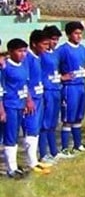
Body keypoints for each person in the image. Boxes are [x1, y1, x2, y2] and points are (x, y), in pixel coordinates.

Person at [2, 38, 34, 179]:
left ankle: (14, 167)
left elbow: (24, 86)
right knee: (9, 137)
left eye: (24, 51)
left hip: (19, 105)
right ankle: (11, 169)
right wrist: (2, 110)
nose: (23, 54)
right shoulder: (5, 67)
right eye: (19, 51)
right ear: (10, 51)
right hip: (9, 105)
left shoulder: (23, 65)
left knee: (14, 136)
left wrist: (27, 101)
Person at [57, 21, 85, 154]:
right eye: (76, 33)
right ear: (69, 34)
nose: (79, 36)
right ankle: (65, 147)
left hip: (81, 86)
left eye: (81, 33)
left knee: (78, 117)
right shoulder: (62, 50)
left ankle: (78, 144)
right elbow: (52, 67)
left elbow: (83, 64)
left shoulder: (82, 48)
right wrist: (61, 77)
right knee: (68, 119)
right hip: (70, 88)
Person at [39, 25, 69, 163]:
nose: (54, 42)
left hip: (57, 90)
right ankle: (43, 154)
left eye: (57, 39)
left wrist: (63, 78)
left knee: (53, 123)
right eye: (52, 39)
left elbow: (56, 73)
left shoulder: (55, 53)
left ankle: (54, 152)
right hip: (47, 91)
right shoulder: (41, 55)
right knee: (45, 124)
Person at [24, 30, 51, 173]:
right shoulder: (27, 58)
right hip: (31, 101)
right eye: (44, 44)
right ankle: (30, 163)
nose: (47, 47)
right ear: (34, 44)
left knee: (36, 130)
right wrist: (28, 100)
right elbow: (24, 81)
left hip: (39, 98)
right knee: (31, 129)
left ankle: (34, 161)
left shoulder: (39, 57)